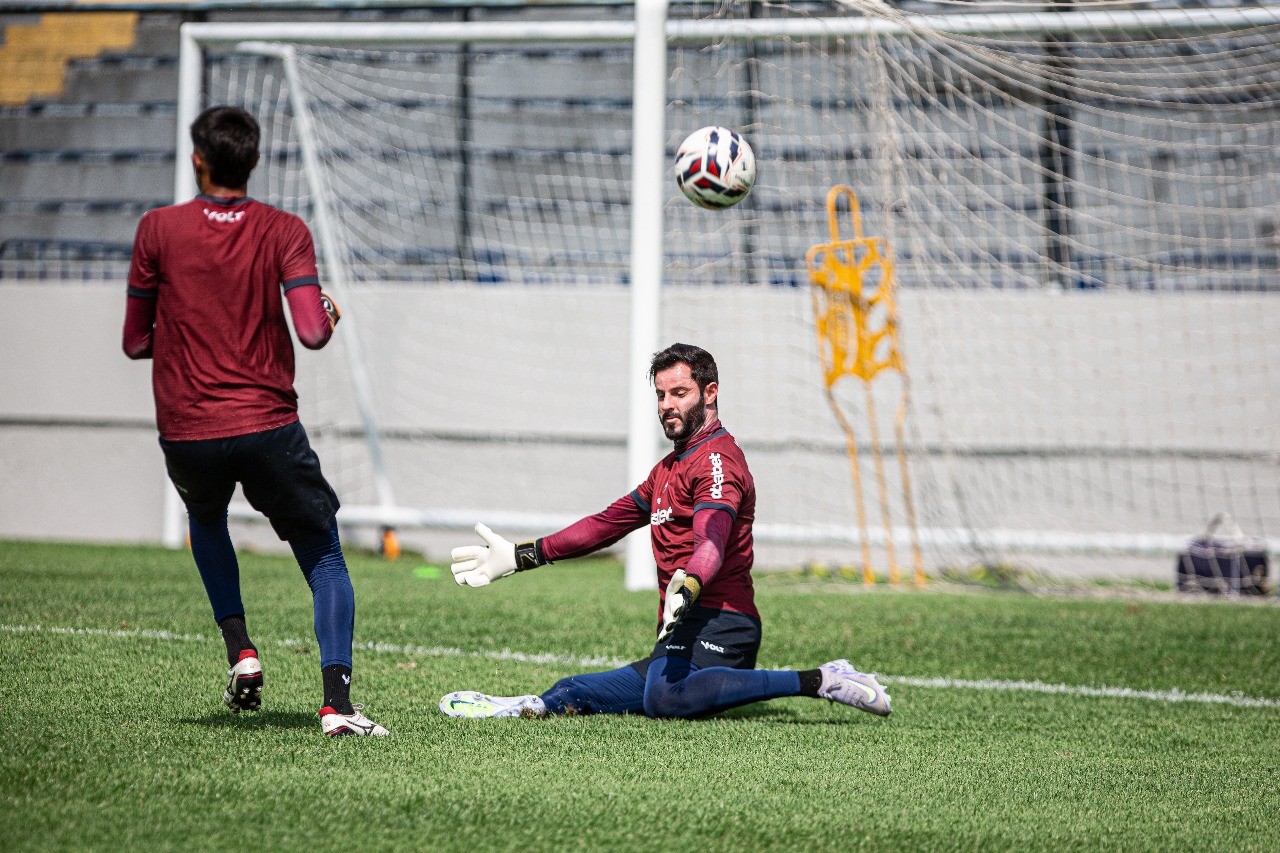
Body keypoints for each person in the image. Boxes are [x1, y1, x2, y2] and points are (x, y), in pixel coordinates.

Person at [440, 343, 891, 720]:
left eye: (678, 393)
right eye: (660, 395)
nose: (666, 406)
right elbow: (605, 525)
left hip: (722, 623)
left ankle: (821, 679)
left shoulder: (717, 461)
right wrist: (524, 555)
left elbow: (712, 539)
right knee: (574, 690)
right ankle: (527, 706)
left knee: (665, 698)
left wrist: (691, 583)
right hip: (680, 627)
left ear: (710, 393)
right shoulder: (668, 469)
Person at [122, 105, 387, 737]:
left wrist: (194, 341)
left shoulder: (157, 229)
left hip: (187, 429)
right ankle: (337, 706)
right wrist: (328, 310)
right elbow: (313, 332)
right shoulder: (284, 230)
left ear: (197, 160)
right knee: (323, 553)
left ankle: (241, 650)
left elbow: (135, 342)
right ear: (256, 161)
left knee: (206, 517)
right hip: (266, 425)